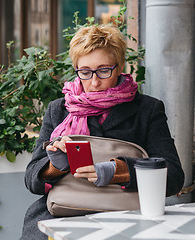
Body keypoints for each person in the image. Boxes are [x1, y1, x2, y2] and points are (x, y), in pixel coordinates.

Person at [20, 24, 184, 239]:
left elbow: (173, 175)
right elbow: (32, 179)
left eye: (104, 70)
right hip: (61, 213)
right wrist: (55, 167)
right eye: (85, 72)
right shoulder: (58, 109)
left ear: (119, 67)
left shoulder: (146, 109)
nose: (95, 82)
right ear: (76, 69)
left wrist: (118, 171)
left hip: (127, 214)